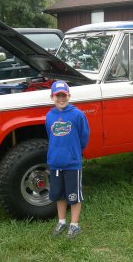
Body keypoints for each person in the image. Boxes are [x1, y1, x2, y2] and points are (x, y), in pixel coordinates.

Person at [45, 80, 90, 238]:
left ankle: (74, 224)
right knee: (59, 194)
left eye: (64, 95)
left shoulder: (77, 115)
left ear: (69, 95)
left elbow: (84, 137)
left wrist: (75, 152)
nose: (61, 98)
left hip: (72, 163)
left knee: (73, 196)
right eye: (58, 95)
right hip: (55, 163)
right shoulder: (50, 116)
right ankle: (62, 221)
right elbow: (50, 136)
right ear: (52, 97)